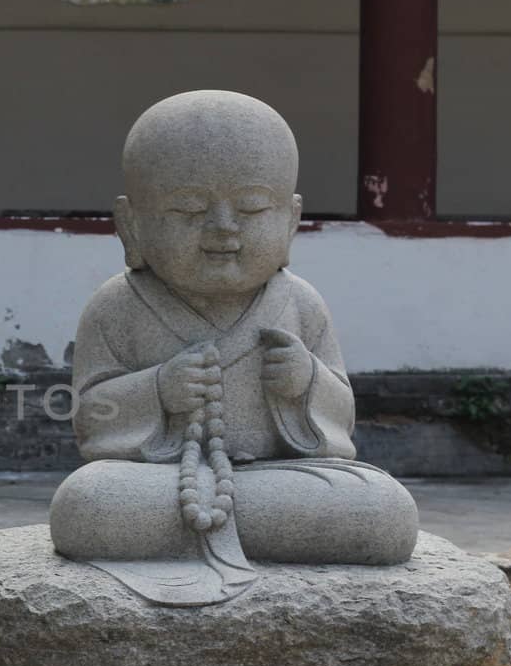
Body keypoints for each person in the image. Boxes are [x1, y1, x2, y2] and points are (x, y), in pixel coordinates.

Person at [49, 90, 418, 606]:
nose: (222, 227)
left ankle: (208, 524)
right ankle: (218, 522)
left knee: (383, 511)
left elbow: (343, 419)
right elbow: (92, 415)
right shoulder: (117, 306)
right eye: (187, 209)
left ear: (290, 221)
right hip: (159, 483)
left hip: (277, 480)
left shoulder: (301, 304)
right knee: (86, 505)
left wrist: (306, 383)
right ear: (130, 225)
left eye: (250, 207)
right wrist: (158, 390)